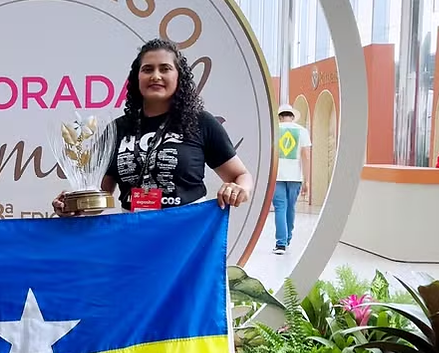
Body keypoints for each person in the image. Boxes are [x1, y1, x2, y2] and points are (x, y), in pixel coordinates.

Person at [52, 38, 253, 216]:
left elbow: (241, 176)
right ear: (137, 78)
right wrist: (73, 205)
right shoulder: (118, 128)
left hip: (186, 238)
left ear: (179, 77)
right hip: (134, 238)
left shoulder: (200, 122)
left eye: (165, 68)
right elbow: (101, 195)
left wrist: (238, 189)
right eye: (147, 69)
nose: (155, 76)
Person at [271, 104, 311, 255]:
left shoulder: (275, 130)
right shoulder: (302, 131)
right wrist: (307, 180)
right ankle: (287, 239)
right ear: (292, 117)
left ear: (280, 117)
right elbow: (306, 156)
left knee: (280, 207)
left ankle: (281, 244)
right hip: (295, 177)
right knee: (290, 207)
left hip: (277, 176)